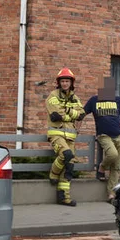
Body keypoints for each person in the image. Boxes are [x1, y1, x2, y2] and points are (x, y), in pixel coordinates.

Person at [83, 76, 120, 203]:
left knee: (116, 166)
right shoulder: (94, 100)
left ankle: (111, 193)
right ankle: (101, 167)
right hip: (103, 135)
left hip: (119, 135)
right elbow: (81, 114)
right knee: (112, 154)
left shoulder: (117, 100)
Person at [46, 67, 86, 207]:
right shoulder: (53, 95)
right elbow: (56, 114)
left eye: (67, 81)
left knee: (69, 167)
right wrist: (71, 114)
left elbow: (81, 114)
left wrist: (68, 111)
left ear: (71, 83)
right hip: (56, 133)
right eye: (62, 81)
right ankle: (54, 173)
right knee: (66, 154)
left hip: (70, 136)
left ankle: (64, 197)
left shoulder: (75, 97)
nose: (64, 83)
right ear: (59, 82)